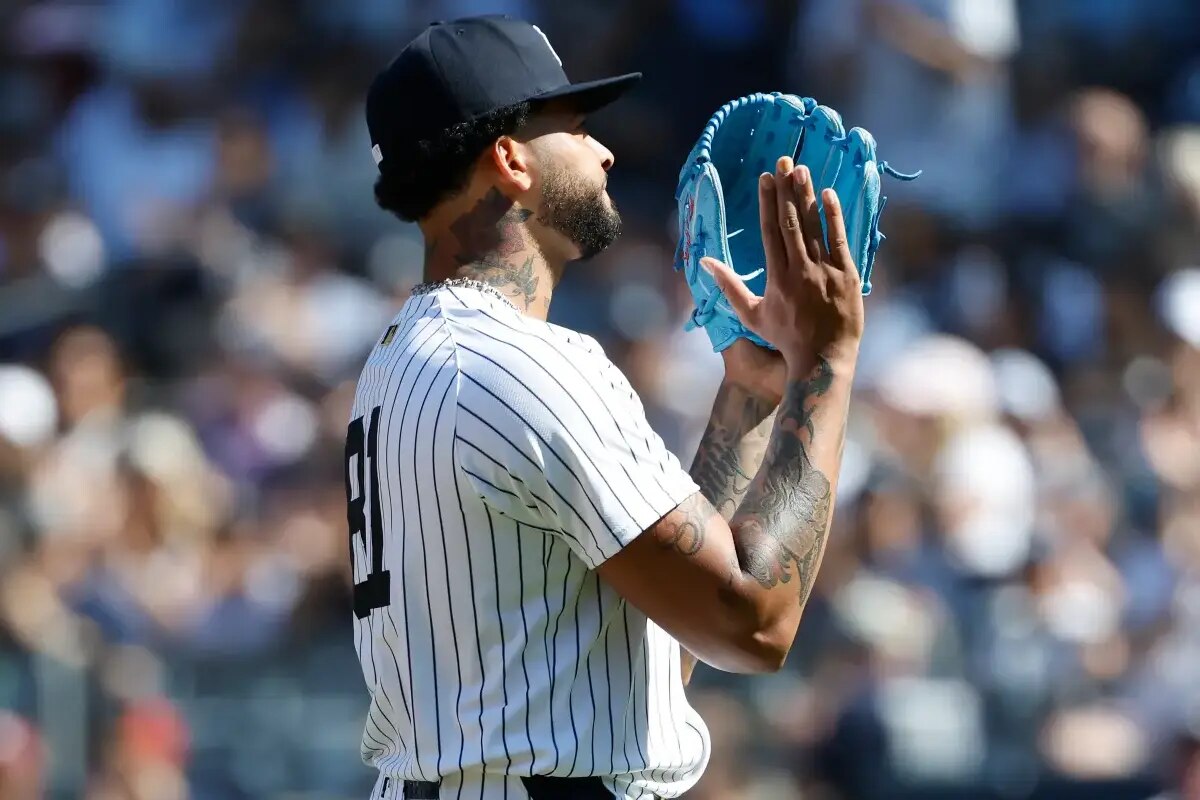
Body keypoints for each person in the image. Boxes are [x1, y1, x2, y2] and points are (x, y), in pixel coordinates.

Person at [347, 13, 864, 800]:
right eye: (578, 127)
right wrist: (825, 363)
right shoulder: (518, 366)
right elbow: (754, 622)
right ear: (511, 159)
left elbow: (671, 632)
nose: (603, 151)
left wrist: (754, 391)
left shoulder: (403, 360)